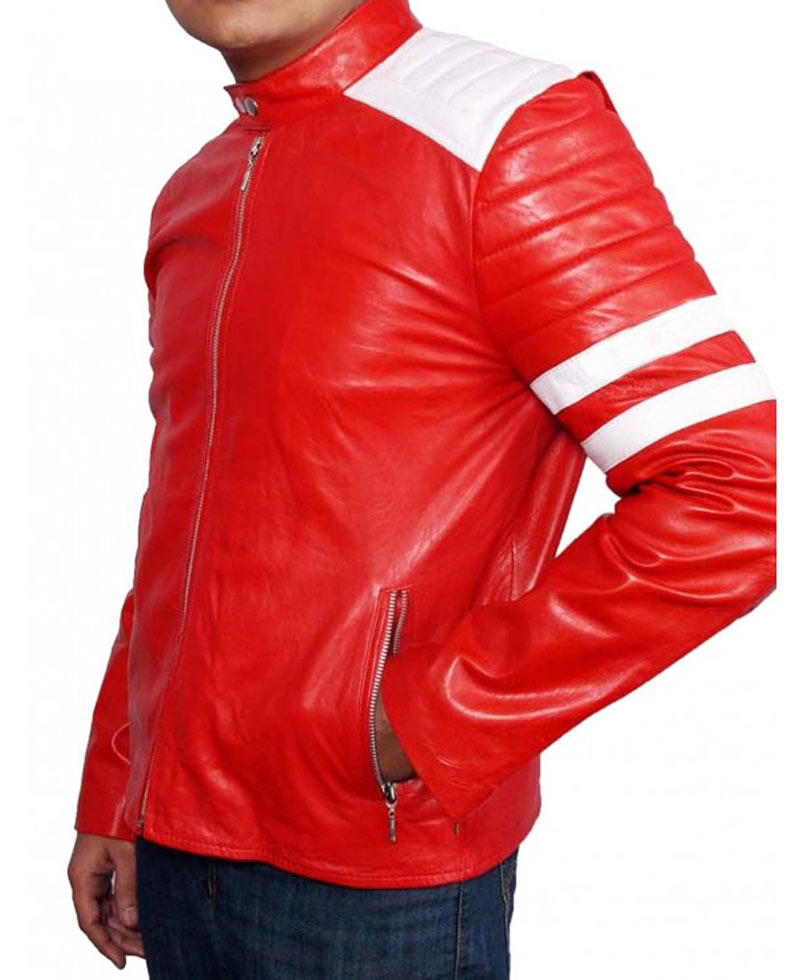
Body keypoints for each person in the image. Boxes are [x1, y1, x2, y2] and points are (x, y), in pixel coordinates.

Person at [67, 0, 777, 977]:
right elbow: (184, 513)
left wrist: (432, 718)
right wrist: (121, 780)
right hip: (177, 849)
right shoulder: (198, 187)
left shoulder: (505, 131)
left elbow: (738, 493)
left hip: (375, 870)